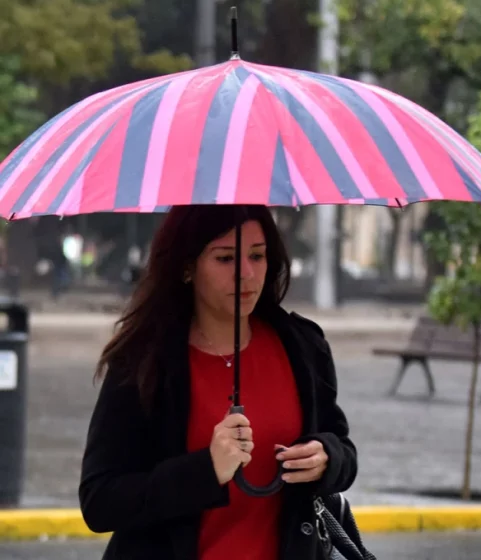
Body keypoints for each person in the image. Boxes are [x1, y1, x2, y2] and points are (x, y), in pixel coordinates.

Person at [78, 205, 357, 560]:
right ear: (186, 267)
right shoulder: (145, 362)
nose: (246, 273)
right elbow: (100, 501)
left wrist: (327, 459)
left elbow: (343, 448)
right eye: (225, 259)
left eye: (258, 255)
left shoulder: (302, 346)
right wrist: (204, 470)